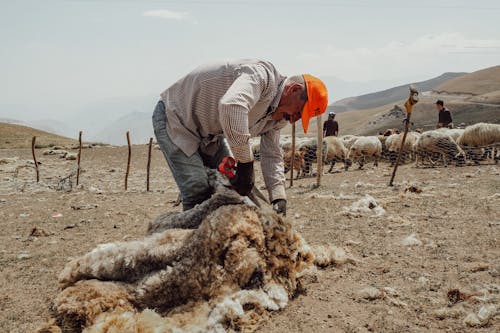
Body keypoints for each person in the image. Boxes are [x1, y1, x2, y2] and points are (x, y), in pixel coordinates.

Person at [152, 59, 328, 216]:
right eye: (299, 111)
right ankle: (194, 245)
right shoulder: (262, 77)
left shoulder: (279, 116)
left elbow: (272, 154)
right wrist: (245, 164)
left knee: (232, 186)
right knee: (197, 188)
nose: (295, 119)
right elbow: (231, 106)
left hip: (210, 135)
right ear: (293, 89)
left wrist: (278, 196)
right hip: (177, 118)